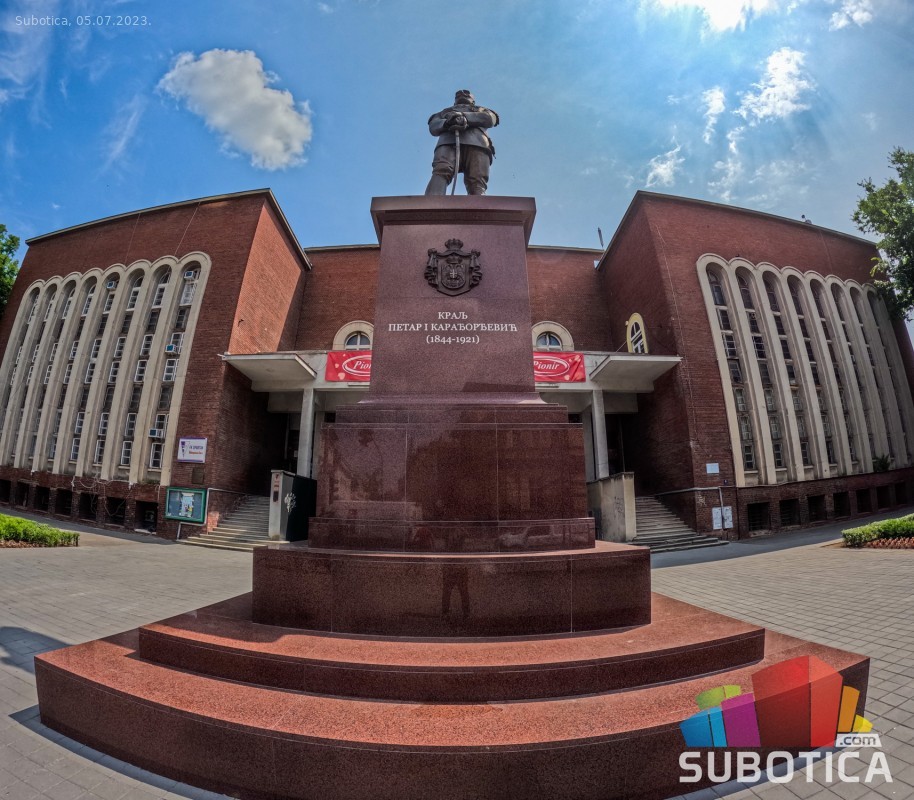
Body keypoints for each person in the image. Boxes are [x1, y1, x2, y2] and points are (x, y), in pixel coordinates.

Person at [424, 89, 499, 196]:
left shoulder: (482, 110)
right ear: (454, 102)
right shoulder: (444, 112)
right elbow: (433, 126)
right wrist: (447, 122)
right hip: (448, 142)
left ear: (473, 101)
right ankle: (432, 202)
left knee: (477, 180)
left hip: (478, 144)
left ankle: (479, 205)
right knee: (441, 171)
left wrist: (462, 116)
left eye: (467, 95)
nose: (463, 94)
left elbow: (489, 119)